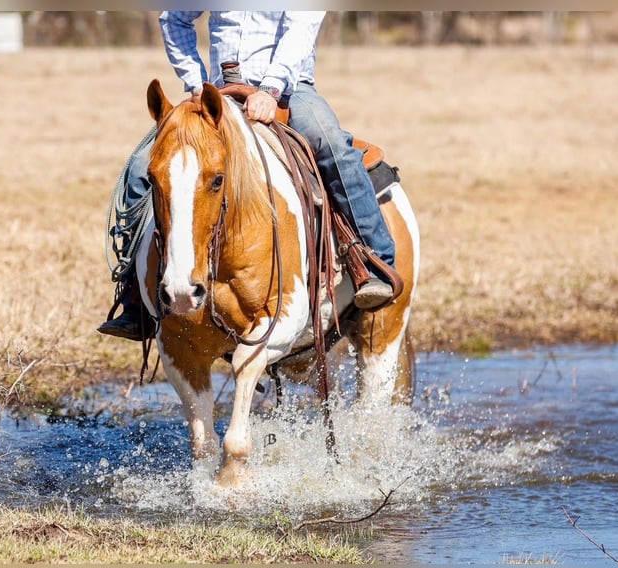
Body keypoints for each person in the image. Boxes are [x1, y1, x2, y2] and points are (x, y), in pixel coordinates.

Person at [99, 11, 397, 340]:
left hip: (289, 91)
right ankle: (134, 298)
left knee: (331, 145)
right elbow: (174, 17)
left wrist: (270, 89)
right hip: (215, 97)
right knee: (144, 165)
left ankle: (375, 262)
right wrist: (196, 82)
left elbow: (302, 24)